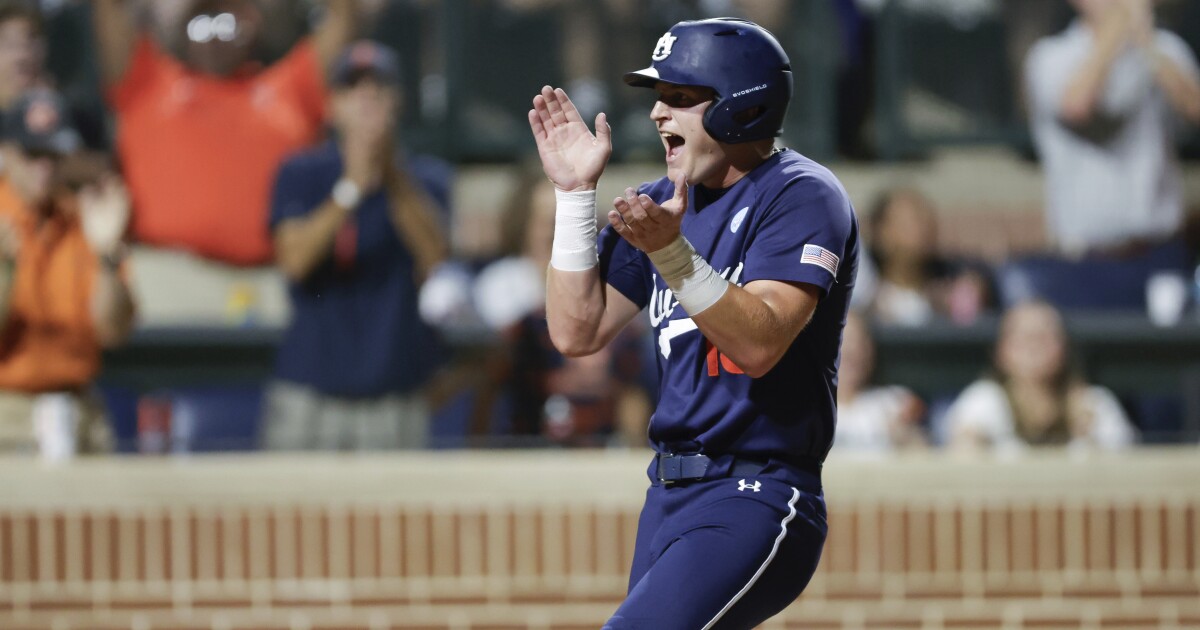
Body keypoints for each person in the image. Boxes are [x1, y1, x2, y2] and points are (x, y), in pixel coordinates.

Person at [528, 18, 859, 629]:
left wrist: (672, 256)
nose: (657, 114)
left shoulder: (802, 194)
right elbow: (576, 331)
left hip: (756, 489)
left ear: (742, 106)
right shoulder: (663, 202)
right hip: (668, 493)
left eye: (680, 98)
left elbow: (760, 342)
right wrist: (574, 193)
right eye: (659, 97)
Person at [262, 40, 449, 451]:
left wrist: (389, 173)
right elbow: (294, 261)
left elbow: (435, 258)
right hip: (309, 390)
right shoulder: (302, 171)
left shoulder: (424, 177)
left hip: (393, 392)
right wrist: (350, 187)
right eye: (352, 86)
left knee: (395, 515)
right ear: (332, 106)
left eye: (378, 85)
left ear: (397, 101)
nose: (367, 96)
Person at [91, 0, 357, 265]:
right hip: (162, 280)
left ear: (252, 30)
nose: (215, 37)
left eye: (228, 25)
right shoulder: (147, 82)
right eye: (202, 25)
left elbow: (342, 19)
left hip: (269, 281)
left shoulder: (292, 89)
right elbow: (109, 9)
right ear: (184, 31)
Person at [0, 88, 135, 456]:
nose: (44, 168)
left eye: (53, 155)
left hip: (78, 406)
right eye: (32, 154)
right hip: (7, 410)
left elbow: (113, 331)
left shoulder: (86, 217)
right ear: (7, 153)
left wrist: (108, 253)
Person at [1024, 0, 1200, 259]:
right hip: (1084, 253)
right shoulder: (1051, 54)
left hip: (1161, 246)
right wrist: (1115, 32)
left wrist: (1146, 43)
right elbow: (1076, 106)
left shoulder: (1164, 47)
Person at [943, 300, 1136, 456]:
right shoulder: (983, 400)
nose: (1034, 346)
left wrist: (1089, 437)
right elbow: (959, 461)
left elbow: (1126, 469)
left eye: (1045, 336)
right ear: (1001, 352)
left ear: (1065, 348)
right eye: (1023, 337)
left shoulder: (1094, 403)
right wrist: (971, 442)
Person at [863, 187, 992, 326]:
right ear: (882, 233)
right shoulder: (862, 297)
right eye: (912, 220)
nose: (924, 228)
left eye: (927, 219)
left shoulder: (952, 290)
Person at [831, 310, 926, 454]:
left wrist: (906, 437)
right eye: (845, 341)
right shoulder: (810, 410)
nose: (853, 351)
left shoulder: (891, 402)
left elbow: (925, 452)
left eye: (860, 343)